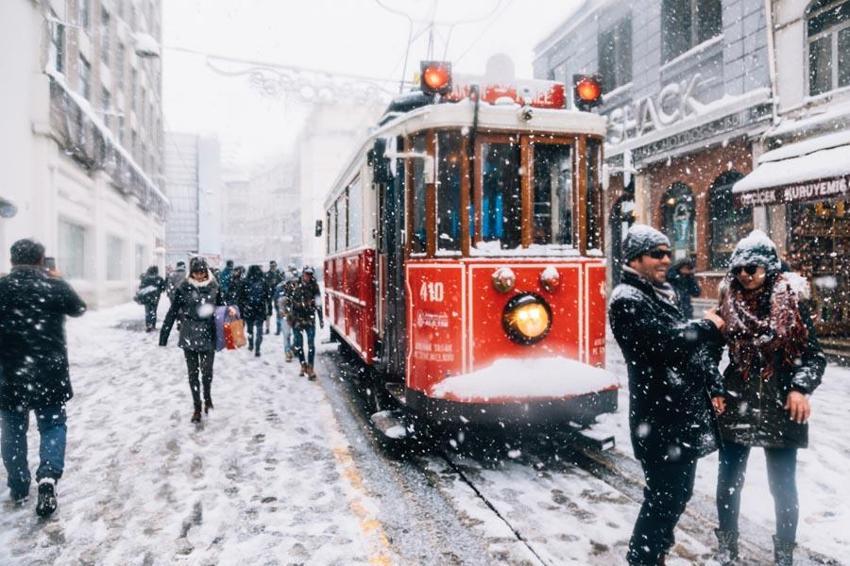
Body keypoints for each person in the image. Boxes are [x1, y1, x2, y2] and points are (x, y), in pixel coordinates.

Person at [608, 224, 725, 566]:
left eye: (667, 253)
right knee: (664, 496)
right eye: (656, 254)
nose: (665, 260)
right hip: (657, 417)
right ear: (635, 259)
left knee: (677, 494)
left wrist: (714, 384)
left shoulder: (662, 293)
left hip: (678, 415)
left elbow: (688, 350)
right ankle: (642, 559)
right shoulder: (627, 299)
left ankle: (654, 553)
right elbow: (665, 343)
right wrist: (706, 327)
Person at [710, 230, 825, 566]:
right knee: (729, 481)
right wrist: (716, 388)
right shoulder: (727, 301)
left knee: (783, 486)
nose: (745, 275)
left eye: (753, 268)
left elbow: (814, 357)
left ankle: (784, 553)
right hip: (737, 399)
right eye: (739, 269)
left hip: (780, 403)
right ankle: (727, 546)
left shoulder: (793, 303)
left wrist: (800, 387)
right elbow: (709, 354)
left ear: (769, 268)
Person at [0, 239, 86, 517]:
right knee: (52, 425)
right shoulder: (53, 286)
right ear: (41, 260)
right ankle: (48, 477)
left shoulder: (2, 287)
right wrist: (57, 280)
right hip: (49, 372)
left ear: (12, 261)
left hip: (10, 372)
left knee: (12, 429)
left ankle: (18, 485)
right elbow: (79, 308)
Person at [160, 257, 227, 423]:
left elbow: (221, 307)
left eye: (202, 272)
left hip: (208, 334)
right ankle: (197, 407)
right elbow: (173, 311)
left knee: (207, 373)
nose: (199, 275)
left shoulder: (214, 286)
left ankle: (208, 399)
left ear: (206, 271)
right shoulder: (184, 288)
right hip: (189, 334)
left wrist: (229, 312)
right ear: (191, 272)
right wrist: (164, 336)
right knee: (193, 374)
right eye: (196, 272)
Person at [289, 266, 323, 379]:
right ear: (303, 273)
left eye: (310, 274)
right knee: (299, 344)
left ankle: (310, 367)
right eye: (306, 274)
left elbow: (318, 303)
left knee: (311, 344)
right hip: (297, 318)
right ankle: (303, 365)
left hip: (309, 318)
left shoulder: (314, 286)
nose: (308, 276)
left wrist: (321, 318)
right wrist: (289, 315)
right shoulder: (294, 285)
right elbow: (288, 300)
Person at [238, 265, 270, 357]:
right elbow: (268, 297)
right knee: (259, 329)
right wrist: (269, 309)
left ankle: (251, 344)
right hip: (260, 309)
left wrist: (242, 309)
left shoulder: (245, 282)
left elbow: (240, 298)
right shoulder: (263, 282)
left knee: (250, 329)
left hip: (249, 309)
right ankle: (258, 348)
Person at [275, 265, 300, 362]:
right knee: (287, 334)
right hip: (285, 314)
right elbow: (277, 301)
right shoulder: (280, 287)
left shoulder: (298, 286)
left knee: (296, 335)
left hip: (294, 314)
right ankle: (288, 352)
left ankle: (292, 349)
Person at [137, 265, 165, 332]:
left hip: (147, 297)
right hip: (155, 297)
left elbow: (141, 287)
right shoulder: (159, 278)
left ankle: (148, 325)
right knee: (154, 311)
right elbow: (163, 288)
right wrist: (158, 291)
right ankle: (153, 325)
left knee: (147, 311)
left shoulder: (145, 278)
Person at [264, 261, 283, 334]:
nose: (273, 267)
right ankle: (268, 328)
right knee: (268, 313)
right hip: (270, 295)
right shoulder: (268, 274)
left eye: (274, 266)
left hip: (275, 295)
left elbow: (281, 283)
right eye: (272, 266)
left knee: (277, 312)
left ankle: (278, 329)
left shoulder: (278, 274)